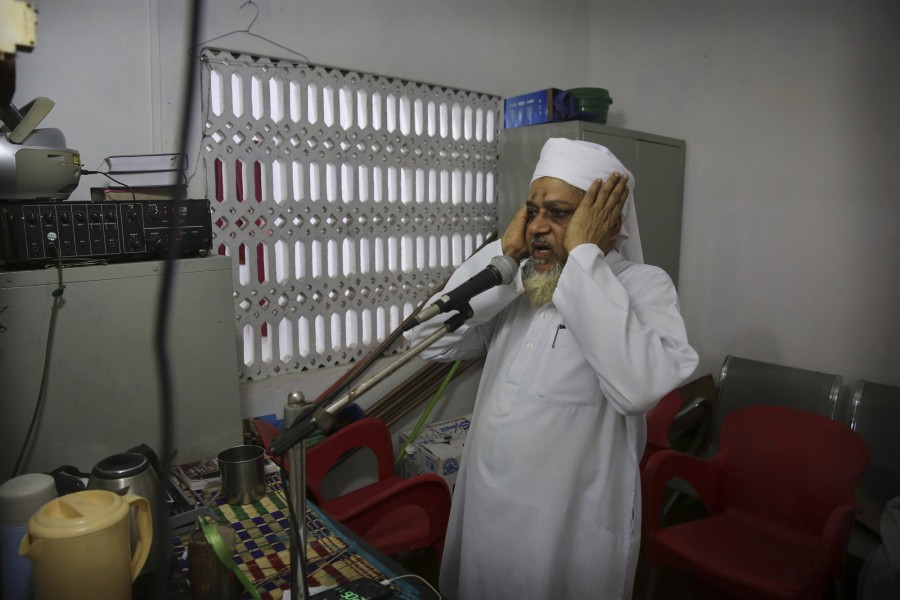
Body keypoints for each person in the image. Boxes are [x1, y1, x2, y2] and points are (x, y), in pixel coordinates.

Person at [409, 138, 699, 599]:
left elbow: (637, 387)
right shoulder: (524, 286)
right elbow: (426, 340)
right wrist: (504, 251)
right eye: (531, 210)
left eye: (559, 213)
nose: (538, 227)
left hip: (562, 529)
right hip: (487, 512)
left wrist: (584, 256)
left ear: (605, 221)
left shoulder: (642, 286)